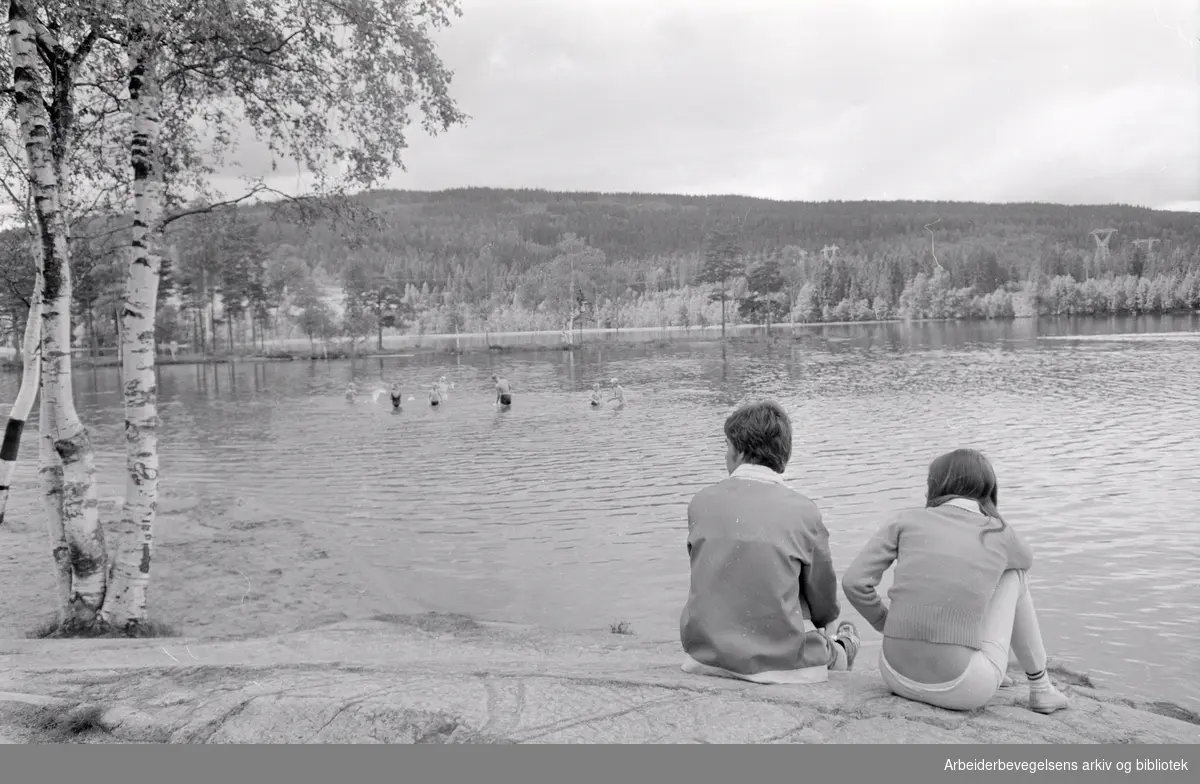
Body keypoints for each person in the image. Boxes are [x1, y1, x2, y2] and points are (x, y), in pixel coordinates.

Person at [841, 448, 1070, 714]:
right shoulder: (997, 531)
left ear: (934, 486)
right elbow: (1025, 561)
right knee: (1013, 574)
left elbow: (854, 582)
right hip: (963, 689)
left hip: (894, 675)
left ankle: (981, 660)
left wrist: (885, 622)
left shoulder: (906, 520)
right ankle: (1041, 688)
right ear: (987, 488)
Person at [679, 400, 860, 684]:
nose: (726, 455)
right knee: (823, 621)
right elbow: (822, 599)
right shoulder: (803, 511)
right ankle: (841, 648)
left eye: (727, 446)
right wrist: (826, 621)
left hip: (704, 656)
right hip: (781, 664)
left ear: (739, 451)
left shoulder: (700, 502)